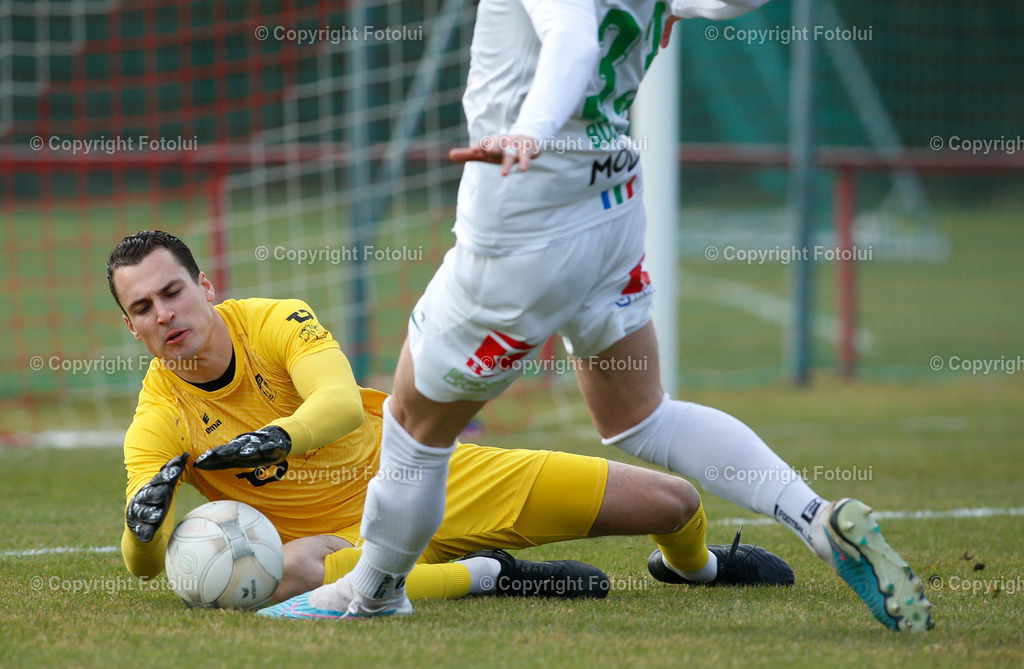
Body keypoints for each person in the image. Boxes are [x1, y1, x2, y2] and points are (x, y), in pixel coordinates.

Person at [274, 0, 934, 632]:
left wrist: (530, 131)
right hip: (611, 209)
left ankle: (374, 592)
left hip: (524, 233)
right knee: (640, 416)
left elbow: (574, 38)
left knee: (415, 423)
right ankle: (817, 517)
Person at [110, 230, 794, 615]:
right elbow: (147, 564)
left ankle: (698, 571)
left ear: (205, 288)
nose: (164, 314)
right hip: (331, 544)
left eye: (172, 292)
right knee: (270, 576)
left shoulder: (273, 319)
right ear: (132, 327)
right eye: (143, 308)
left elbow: (340, 402)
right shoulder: (157, 418)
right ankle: (489, 574)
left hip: (424, 472)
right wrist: (143, 528)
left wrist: (280, 436)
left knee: (673, 502)